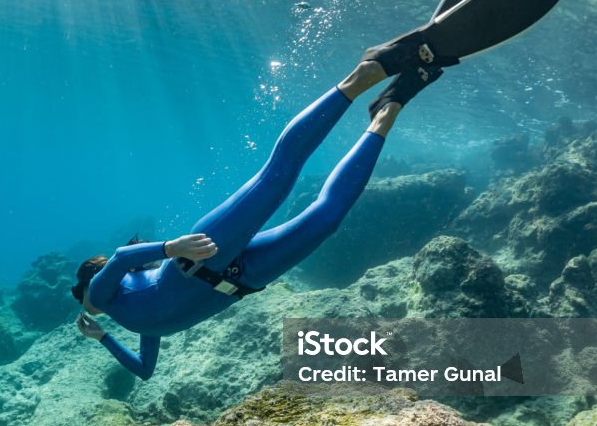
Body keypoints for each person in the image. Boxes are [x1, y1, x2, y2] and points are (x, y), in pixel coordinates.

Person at [73, 38, 455, 379]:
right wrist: (102, 336)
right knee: (326, 220)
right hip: (243, 279)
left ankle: (364, 73)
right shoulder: (144, 327)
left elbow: (122, 257)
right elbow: (144, 371)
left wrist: (171, 249)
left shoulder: (101, 293)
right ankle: (387, 111)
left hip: (201, 256)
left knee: (277, 179)